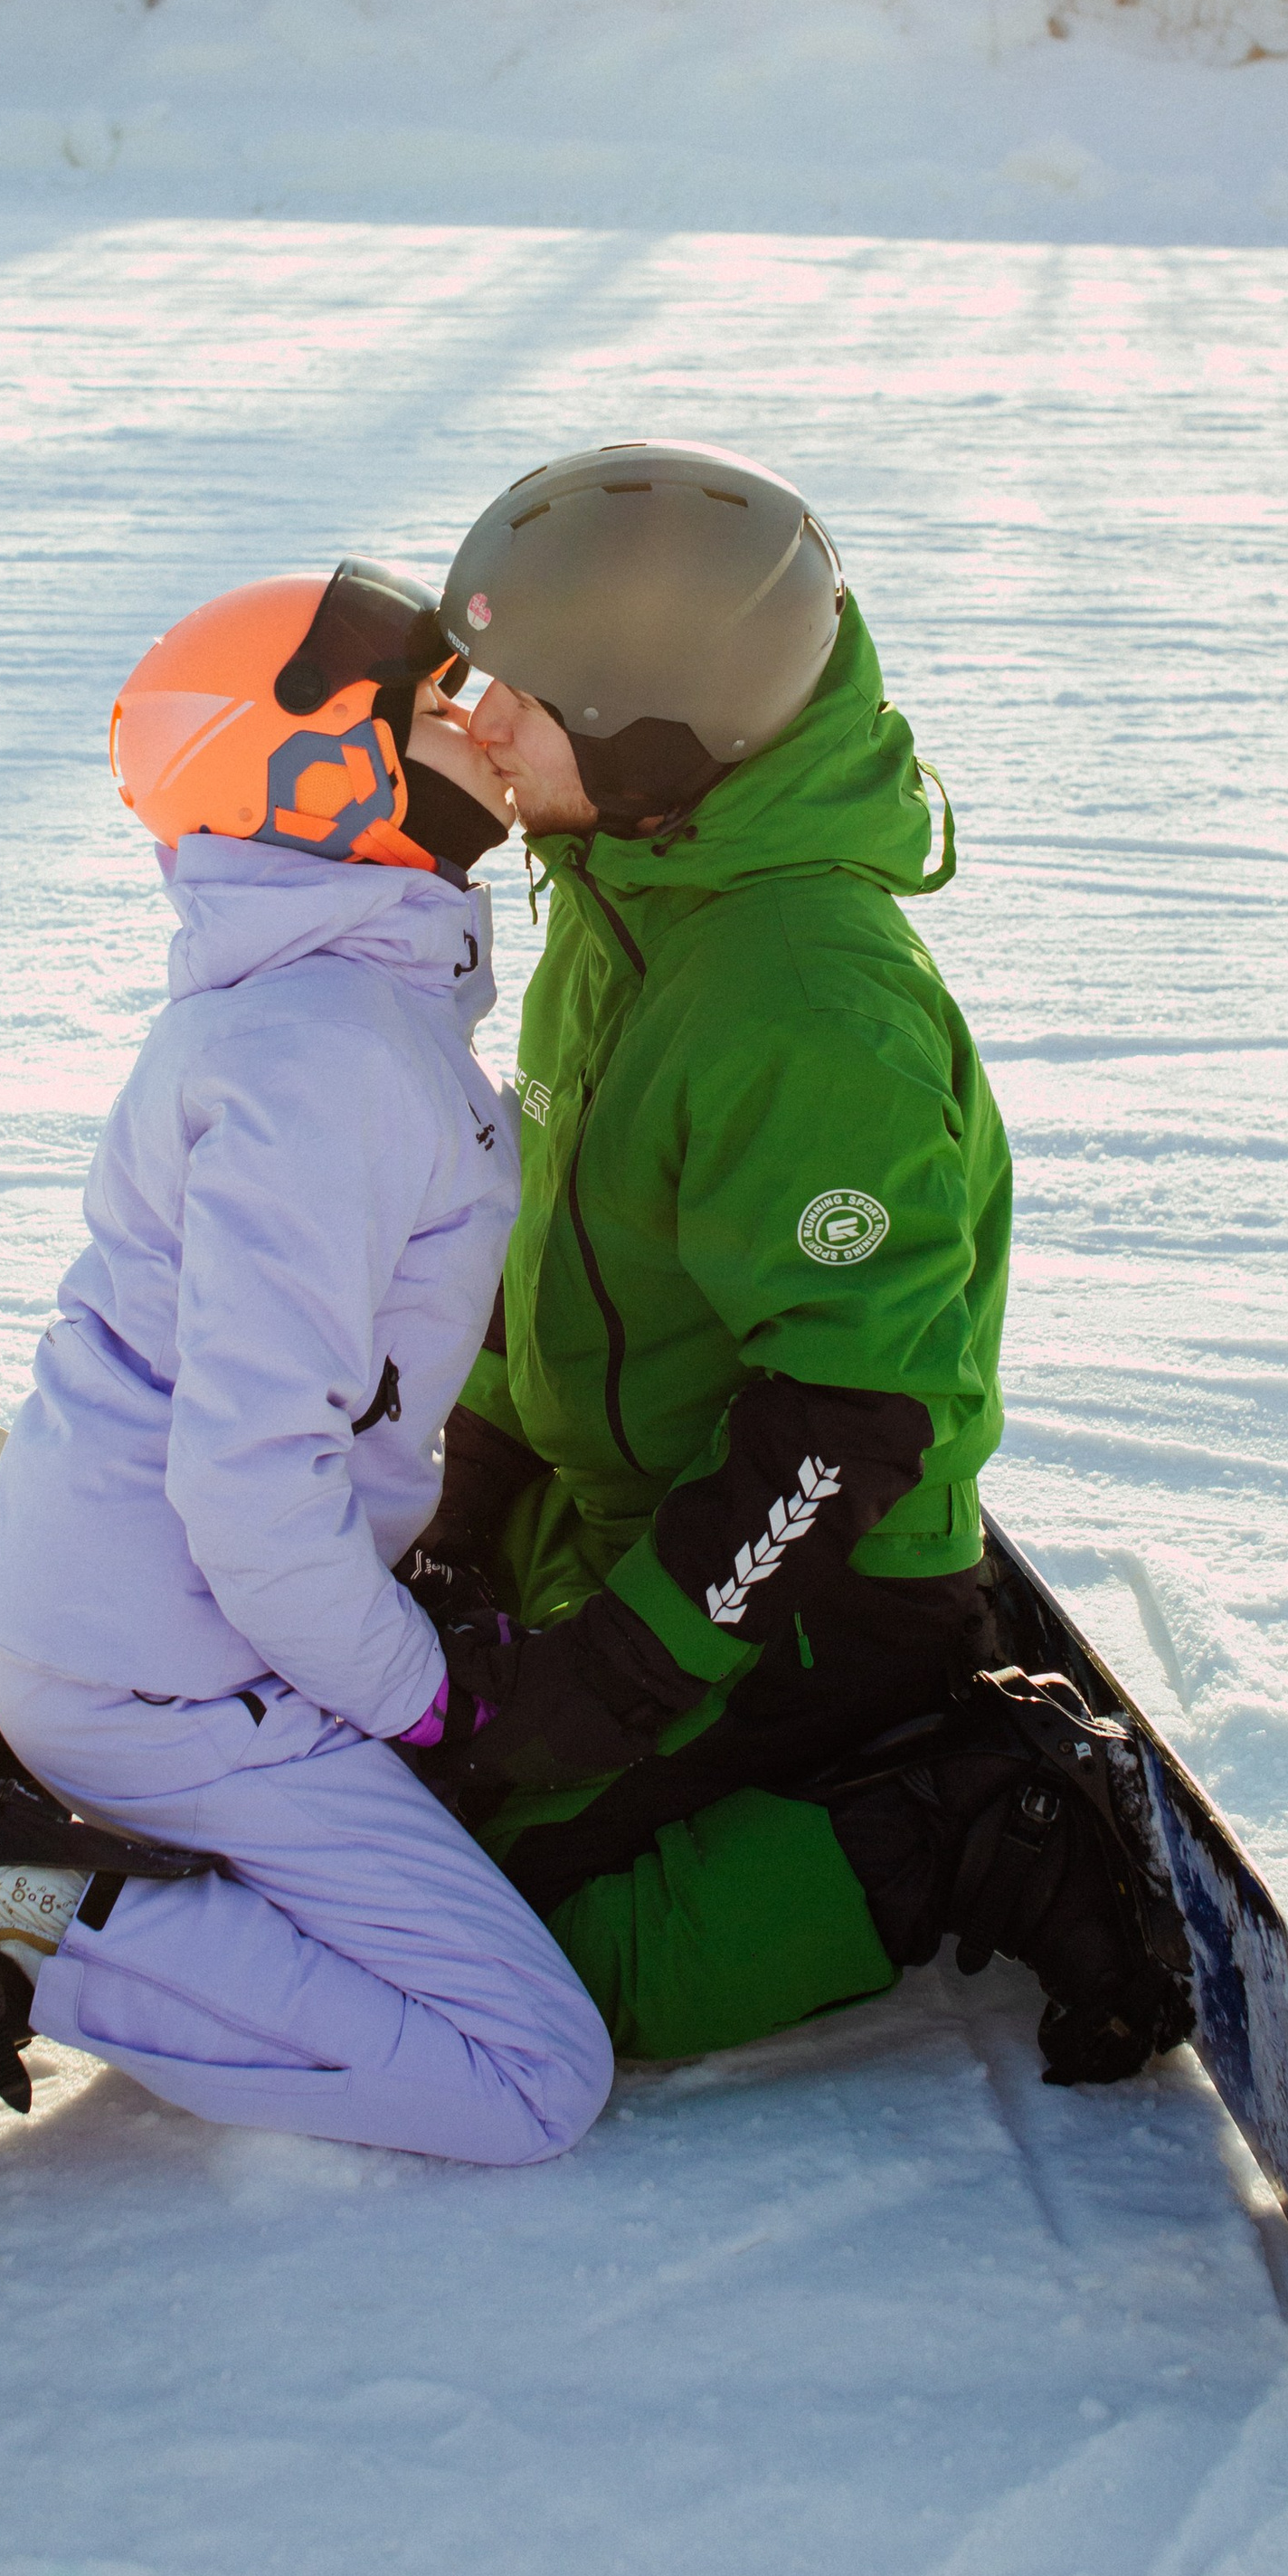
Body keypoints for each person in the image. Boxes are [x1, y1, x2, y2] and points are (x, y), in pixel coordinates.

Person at [400, 442, 1186, 2087]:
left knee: (488, 1958)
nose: (470, 721)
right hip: (638, 1503)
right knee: (365, 1798)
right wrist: (465, 1499)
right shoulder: (626, 895)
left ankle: (979, 1818)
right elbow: (547, 1250)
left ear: (651, 735)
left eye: (515, 696)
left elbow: (847, 1414)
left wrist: (618, 1674)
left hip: (809, 1586)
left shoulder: (798, 1002)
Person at [0, 560, 612, 2200]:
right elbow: (252, 1487)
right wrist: (421, 1690)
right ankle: (6, 1924)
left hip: (134, 1620)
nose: (474, 717)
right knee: (534, 2071)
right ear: (322, 774)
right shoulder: (329, 1057)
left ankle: (49, 1819)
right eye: (424, 703)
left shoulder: (335, 1002)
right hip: (170, 1672)